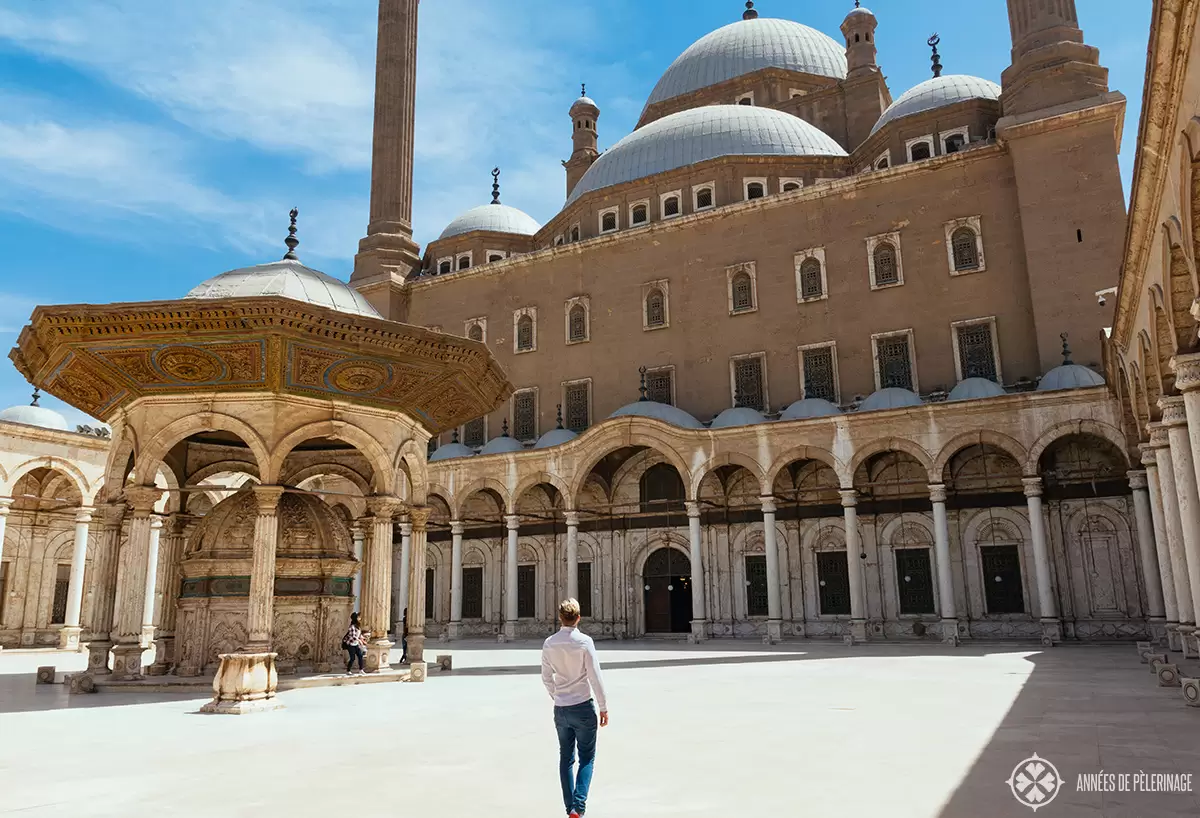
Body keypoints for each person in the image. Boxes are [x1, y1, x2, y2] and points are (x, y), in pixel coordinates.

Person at [541, 598, 609, 818]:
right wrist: (603, 707)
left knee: (566, 759)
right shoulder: (584, 641)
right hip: (582, 706)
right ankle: (578, 807)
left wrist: (556, 696)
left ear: (560, 617)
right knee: (587, 757)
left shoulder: (550, 643)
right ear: (579, 618)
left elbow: (546, 677)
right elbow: (595, 676)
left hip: (561, 709)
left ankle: (570, 807)